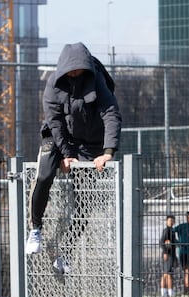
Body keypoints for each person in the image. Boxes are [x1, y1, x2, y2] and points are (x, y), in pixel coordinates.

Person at [25, 42, 122, 274]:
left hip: (89, 142)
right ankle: (36, 228)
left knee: (84, 200)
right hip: (59, 137)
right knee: (45, 173)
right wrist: (67, 155)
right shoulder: (52, 86)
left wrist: (107, 151)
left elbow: (111, 112)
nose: (74, 74)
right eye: (70, 71)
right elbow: (55, 123)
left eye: (79, 70)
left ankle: (66, 250)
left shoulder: (97, 80)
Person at [174, 211, 189, 295]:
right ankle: (187, 289)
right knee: (186, 270)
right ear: (186, 218)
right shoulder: (182, 226)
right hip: (183, 252)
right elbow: (172, 232)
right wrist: (177, 242)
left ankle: (187, 288)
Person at [160, 215, 178, 297]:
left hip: (172, 255)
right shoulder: (166, 230)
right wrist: (165, 252)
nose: (171, 222)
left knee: (166, 274)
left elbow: (173, 242)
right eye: (170, 220)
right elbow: (162, 242)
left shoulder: (172, 230)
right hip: (168, 255)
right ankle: (169, 294)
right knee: (167, 274)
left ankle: (165, 294)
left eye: (172, 220)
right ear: (166, 221)